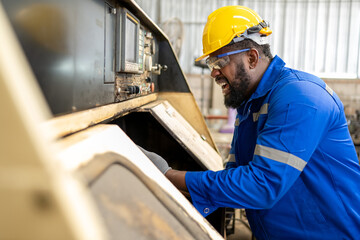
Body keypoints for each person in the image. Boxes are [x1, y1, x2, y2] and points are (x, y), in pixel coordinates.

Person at [140, 5, 360, 239]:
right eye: (211, 65)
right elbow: (235, 175)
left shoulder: (300, 98)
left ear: (252, 58)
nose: (213, 73)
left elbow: (262, 185)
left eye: (218, 62)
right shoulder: (250, 106)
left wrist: (168, 175)